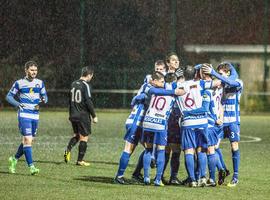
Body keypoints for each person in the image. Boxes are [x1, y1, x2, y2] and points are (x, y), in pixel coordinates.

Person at [114, 71, 183, 184]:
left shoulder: (157, 89)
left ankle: (140, 173)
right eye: (161, 81)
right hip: (137, 121)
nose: (162, 83)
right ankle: (120, 176)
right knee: (130, 149)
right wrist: (174, 91)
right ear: (153, 80)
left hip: (145, 122)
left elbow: (135, 101)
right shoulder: (148, 86)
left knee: (148, 148)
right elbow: (152, 92)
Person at [202, 62, 243, 187]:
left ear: (228, 73)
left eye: (220, 74)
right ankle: (223, 170)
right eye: (217, 74)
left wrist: (214, 73)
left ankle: (236, 176)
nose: (217, 76)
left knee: (234, 146)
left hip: (233, 121)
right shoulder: (220, 85)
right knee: (214, 147)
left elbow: (232, 82)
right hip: (220, 121)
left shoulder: (238, 82)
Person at [6, 61, 48, 175]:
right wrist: (18, 104)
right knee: (28, 139)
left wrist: (44, 100)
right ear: (26, 70)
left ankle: (14, 159)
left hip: (35, 115)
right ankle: (32, 167)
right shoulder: (19, 83)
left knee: (28, 140)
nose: (34, 72)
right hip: (24, 114)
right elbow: (8, 96)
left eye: (35, 70)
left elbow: (45, 96)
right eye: (31, 70)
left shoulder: (40, 83)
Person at [64, 66, 98, 166]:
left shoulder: (73, 84)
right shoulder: (85, 85)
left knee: (77, 135)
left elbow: (70, 100)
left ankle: (68, 149)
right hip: (82, 115)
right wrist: (94, 115)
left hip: (73, 114)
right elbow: (88, 101)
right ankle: (80, 160)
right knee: (84, 137)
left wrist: (71, 113)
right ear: (90, 75)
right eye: (91, 76)